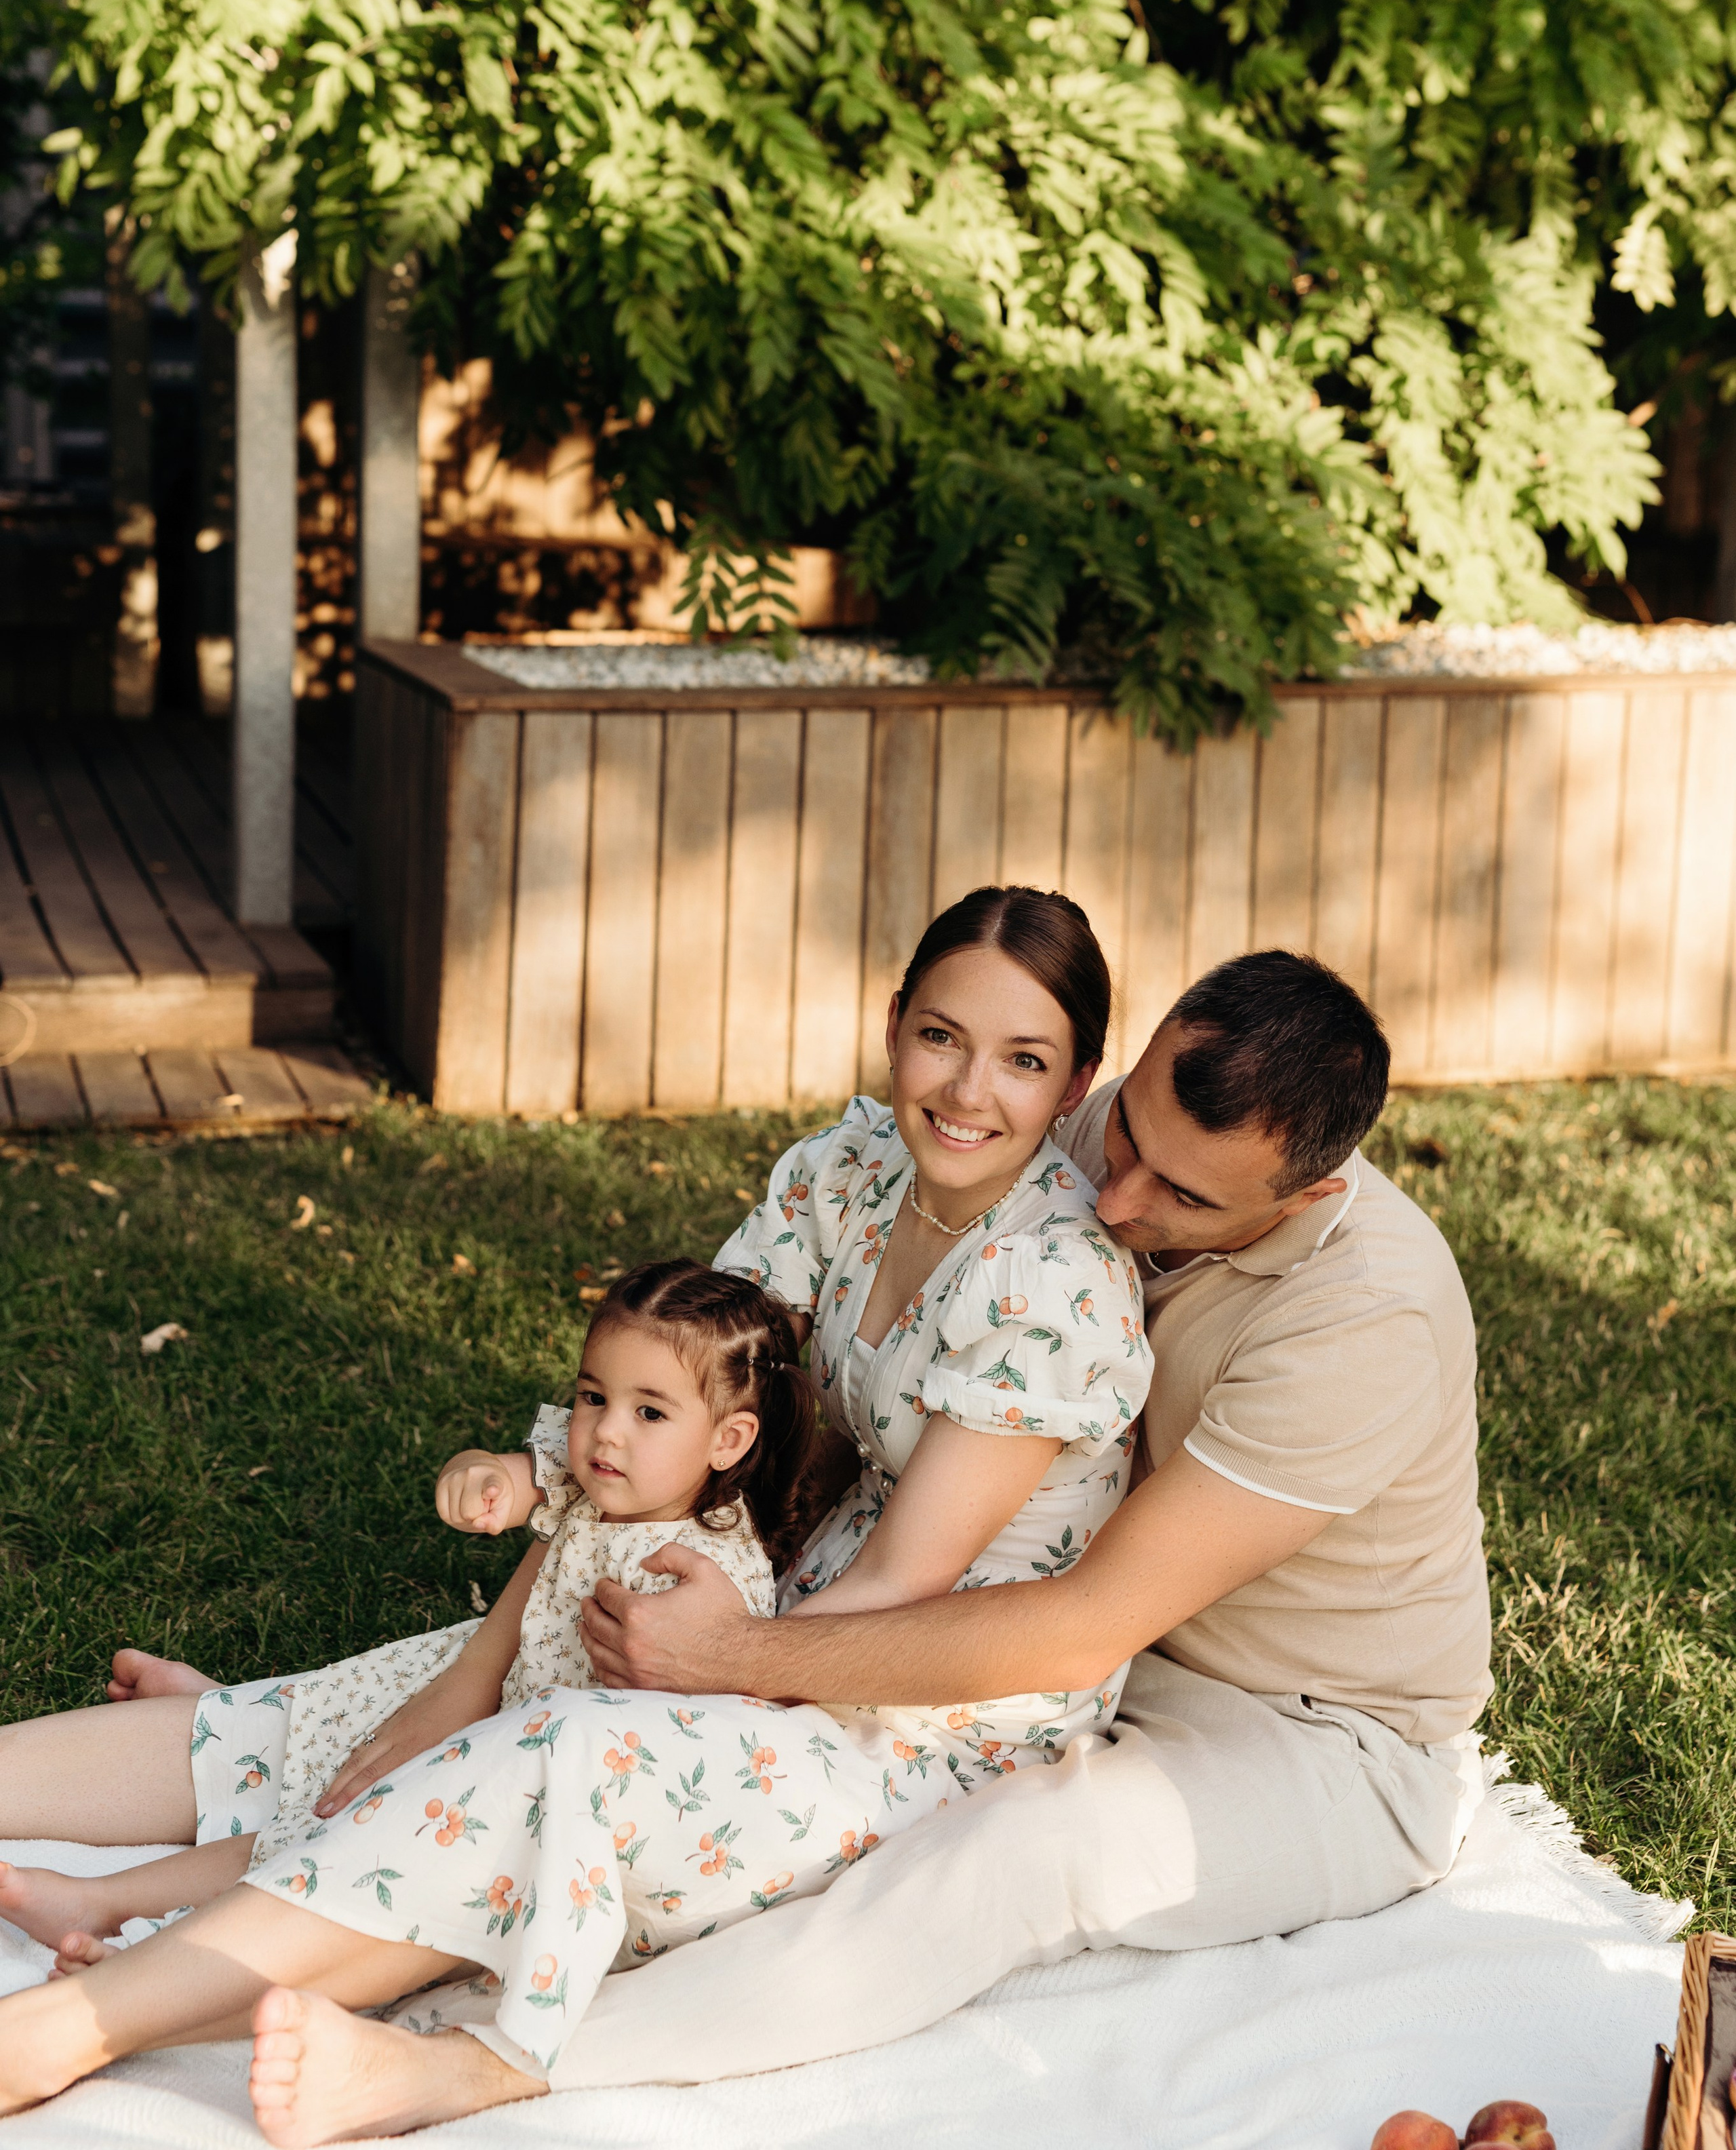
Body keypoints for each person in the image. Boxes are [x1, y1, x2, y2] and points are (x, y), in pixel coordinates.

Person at [193, 941, 1491, 2141]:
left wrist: (730, 1659)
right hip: (1088, 1634)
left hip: (1309, 1726)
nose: (1116, 1190)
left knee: (1018, 1849)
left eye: (1181, 1192)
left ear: (1311, 1191)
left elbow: (1081, 1624)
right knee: (642, 1671)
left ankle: (486, 2060)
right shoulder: (1086, 1130)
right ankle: (278, 1797)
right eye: (1127, 1130)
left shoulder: (1368, 1319)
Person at [0, 884, 1153, 2134]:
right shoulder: (857, 1166)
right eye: (940, 1036)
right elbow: (688, 1379)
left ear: (1076, 1081)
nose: (969, 1090)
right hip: (787, 1596)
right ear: (894, 1025)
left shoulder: (1055, 1281)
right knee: (418, 1687)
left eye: (1023, 1060)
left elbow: (900, 1586)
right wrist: (519, 1569)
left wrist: (707, 1660)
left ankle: (71, 2026)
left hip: (922, 1706)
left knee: (550, 1753)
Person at [0, 1257, 801, 1963]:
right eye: (593, 1395)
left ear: (728, 1439)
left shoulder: (704, 1573)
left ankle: (108, 1900)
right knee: (334, 1738)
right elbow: (512, 1471)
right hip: (486, 1690)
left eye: (649, 1412)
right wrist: (480, 1478)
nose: (605, 1432)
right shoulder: (600, 1477)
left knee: (331, 1826)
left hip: (521, 1766)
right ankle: (227, 1708)